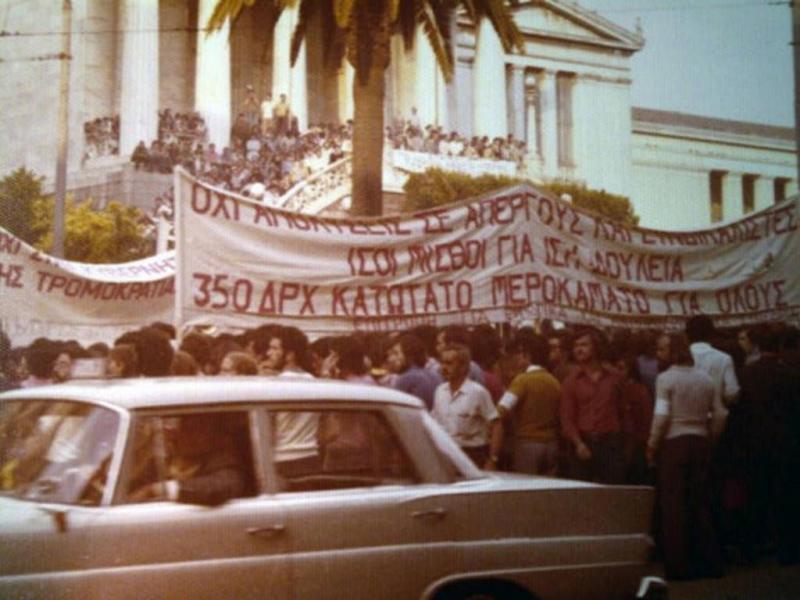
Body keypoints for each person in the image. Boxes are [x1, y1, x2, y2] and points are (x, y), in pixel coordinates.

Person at [647, 333, 725, 580]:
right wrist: (711, 436)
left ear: (672, 353)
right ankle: (710, 561)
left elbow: (661, 416)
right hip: (701, 440)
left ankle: (678, 565)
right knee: (700, 502)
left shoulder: (665, 379)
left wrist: (651, 445)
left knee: (673, 506)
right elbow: (721, 413)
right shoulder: (706, 379)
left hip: (674, 443)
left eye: (662, 350)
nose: (659, 355)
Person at [560, 328, 626, 484]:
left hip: (610, 443)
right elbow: (567, 417)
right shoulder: (571, 381)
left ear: (596, 348)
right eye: (576, 346)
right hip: (583, 441)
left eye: (584, 345)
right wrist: (578, 443)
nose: (579, 349)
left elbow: (623, 411)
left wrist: (624, 444)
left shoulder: (615, 378)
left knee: (612, 491)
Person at [498, 334, 561, 475]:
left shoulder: (522, 380)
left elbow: (502, 409)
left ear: (527, 355)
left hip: (527, 444)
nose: (516, 359)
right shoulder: (554, 381)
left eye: (519, 354)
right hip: (551, 444)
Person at [432, 344, 502, 470]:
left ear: (463, 367)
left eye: (449, 363)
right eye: (442, 363)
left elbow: (496, 425)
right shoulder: (439, 391)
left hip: (473, 455)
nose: (443, 368)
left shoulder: (478, 392)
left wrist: (493, 459)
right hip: (446, 455)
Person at [387, 334, 442, 410]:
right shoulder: (435, 375)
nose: (391, 359)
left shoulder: (406, 378)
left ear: (409, 355)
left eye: (396, 353)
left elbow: (394, 408)